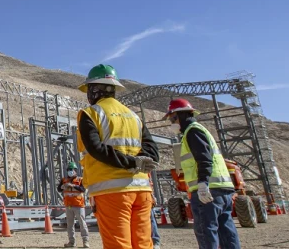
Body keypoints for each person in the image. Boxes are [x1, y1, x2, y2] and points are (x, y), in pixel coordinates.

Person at [76, 64, 159, 249]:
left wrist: (130, 162)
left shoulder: (90, 114)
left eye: (89, 89)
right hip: (142, 191)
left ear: (95, 89)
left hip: (111, 191)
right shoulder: (133, 116)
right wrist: (138, 163)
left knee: (118, 245)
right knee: (144, 244)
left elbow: (96, 149)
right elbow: (152, 150)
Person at [164, 98, 241, 249]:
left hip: (208, 191)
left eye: (171, 119)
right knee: (226, 232)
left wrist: (203, 183)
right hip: (222, 189)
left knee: (206, 231)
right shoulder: (199, 130)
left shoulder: (192, 131)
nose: (171, 123)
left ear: (177, 116)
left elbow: (204, 159)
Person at [57, 161, 89, 248]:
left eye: (72, 169)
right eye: (69, 169)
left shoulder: (80, 180)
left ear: (75, 170)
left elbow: (83, 189)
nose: (70, 171)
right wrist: (63, 186)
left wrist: (72, 185)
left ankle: (85, 242)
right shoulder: (64, 180)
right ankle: (72, 242)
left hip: (78, 205)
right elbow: (59, 189)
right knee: (70, 225)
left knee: (82, 224)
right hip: (68, 205)